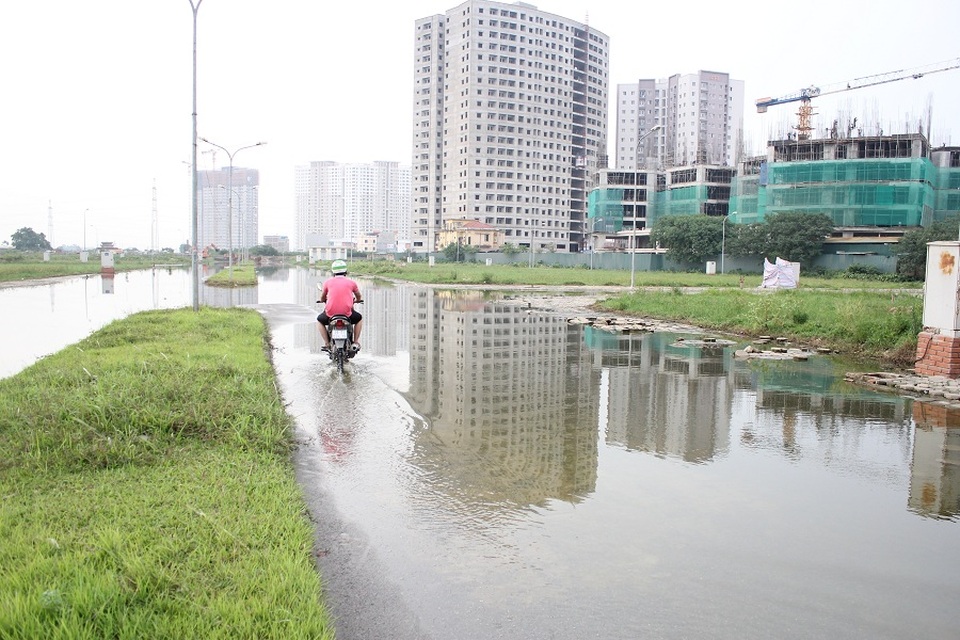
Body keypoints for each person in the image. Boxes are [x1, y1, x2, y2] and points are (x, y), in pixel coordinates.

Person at [317, 259, 363, 353]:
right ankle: (355, 341)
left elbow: (322, 297)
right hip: (347, 314)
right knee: (359, 318)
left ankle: (327, 343)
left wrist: (322, 300)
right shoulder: (351, 283)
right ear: (345, 271)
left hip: (330, 314)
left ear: (333, 272)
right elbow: (358, 296)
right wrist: (358, 300)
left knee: (319, 320)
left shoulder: (327, 282)